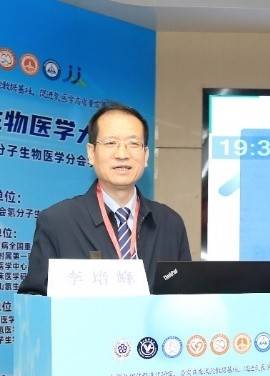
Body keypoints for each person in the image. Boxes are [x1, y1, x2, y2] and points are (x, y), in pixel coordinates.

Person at [18, 103, 191, 294]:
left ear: (146, 155)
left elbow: (185, 297)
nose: (122, 154)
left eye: (133, 144)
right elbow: (35, 300)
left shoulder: (170, 224)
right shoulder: (57, 222)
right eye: (110, 143)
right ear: (91, 153)